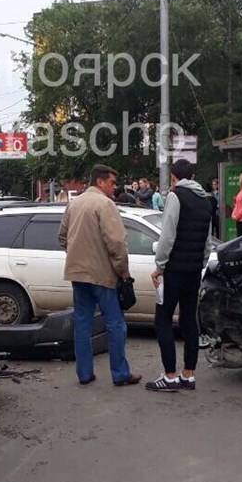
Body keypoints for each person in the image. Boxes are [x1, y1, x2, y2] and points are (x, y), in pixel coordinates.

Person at [58, 164, 141, 387]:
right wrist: (123, 271)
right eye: (112, 183)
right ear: (100, 182)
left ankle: (84, 374)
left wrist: (76, 256)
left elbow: (62, 237)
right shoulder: (105, 204)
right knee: (115, 324)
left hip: (77, 273)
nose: (115, 187)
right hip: (102, 275)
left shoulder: (74, 204)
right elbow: (116, 243)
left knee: (83, 324)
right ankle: (120, 374)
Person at [147, 159, 215, 393]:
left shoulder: (175, 197)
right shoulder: (206, 202)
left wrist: (160, 266)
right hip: (194, 270)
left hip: (175, 269)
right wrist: (200, 263)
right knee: (189, 321)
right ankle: (189, 374)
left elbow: (167, 236)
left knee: (163, 319)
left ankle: (170, 376)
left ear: (174, 178)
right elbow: (207, 242)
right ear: (193, 176)